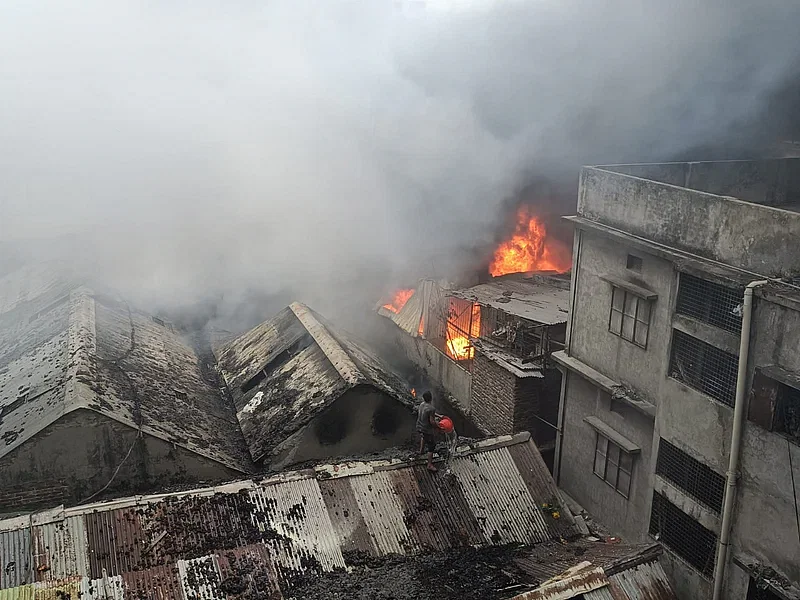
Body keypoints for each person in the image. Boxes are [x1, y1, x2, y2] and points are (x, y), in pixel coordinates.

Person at [416, 391, 443, 472]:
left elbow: (428, 413)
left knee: (423, 436)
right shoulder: (431, 408)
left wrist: (439, 416)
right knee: (431, 445)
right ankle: (429, 465)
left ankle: (421, 451)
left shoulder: (422, 404)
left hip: (419, 426)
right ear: (431, 398)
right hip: (426, 429)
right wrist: (438, 427)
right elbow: (432, 421)